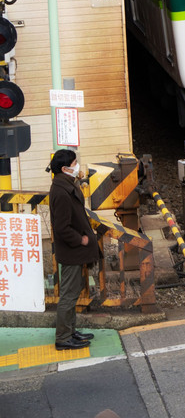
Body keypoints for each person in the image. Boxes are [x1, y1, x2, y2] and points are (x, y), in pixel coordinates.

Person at [48, 149, 106, 351]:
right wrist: (80, 240)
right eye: (74, 163)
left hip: (74, 251)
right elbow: (62, 227)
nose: (77, 166)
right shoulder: (61, 192)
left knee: (72, 292)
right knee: (69, 295)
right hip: (72, 250)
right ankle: (63, 337)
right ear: (65, 169)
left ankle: (71, 331)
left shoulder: (64, 185)